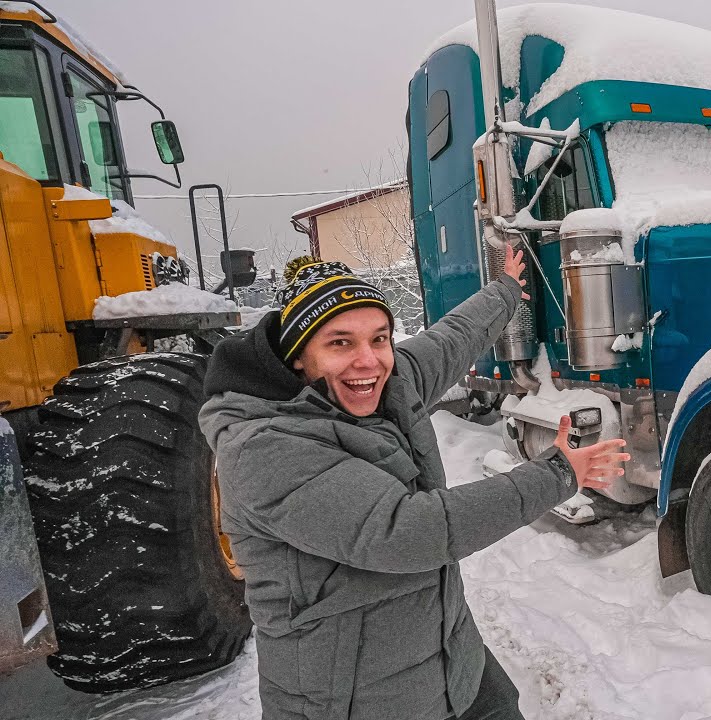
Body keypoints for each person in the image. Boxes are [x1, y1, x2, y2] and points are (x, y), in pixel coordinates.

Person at [199, 246, 627, 720]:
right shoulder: (263, 448)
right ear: (299, 356)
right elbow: (409, 531)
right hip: (352, 699)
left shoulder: (389, 384)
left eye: (379, 339)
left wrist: (505, 291)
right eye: (340, 342)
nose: (368, 361)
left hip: (449, 659)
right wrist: (559, 473)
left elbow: (452, 339)